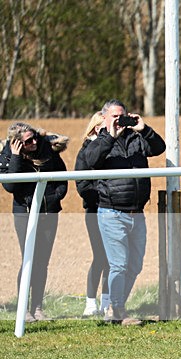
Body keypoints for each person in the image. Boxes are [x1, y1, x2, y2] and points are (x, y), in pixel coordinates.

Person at [81, 99, 166, 326]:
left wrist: (144, 129)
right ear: (105, 117)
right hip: (112, 212)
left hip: (137, 213)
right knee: (118, 264)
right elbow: (91, 160)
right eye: (114, 117)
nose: (119, 121)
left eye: (122, 116)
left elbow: (159, 148)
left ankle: (115, 306)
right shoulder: (99, 141)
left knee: (135, 265)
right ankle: (117, 310)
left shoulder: (137, 139)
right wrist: (110, 136)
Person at [0, 122, 69, 322]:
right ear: (17, 143)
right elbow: (11, 186)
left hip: (49, 213)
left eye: (35, 138)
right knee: (29, 259)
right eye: (28, 141)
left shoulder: (48, 151)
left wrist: (54, 198)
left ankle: (37, 307)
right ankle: (23, 309)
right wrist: (15, 156)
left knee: (42, 261)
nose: (34, 142)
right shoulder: (7, 156)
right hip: (25, 214)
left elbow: (62, 178)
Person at [75, 112, 110, 317]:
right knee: (100, 256)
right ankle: (90, 303)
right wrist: (100, 197)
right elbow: (82, 184)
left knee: (111, 259)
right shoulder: (86, 151)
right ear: (97, 128)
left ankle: (107, 302)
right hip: (95, 210)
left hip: (113, 209)